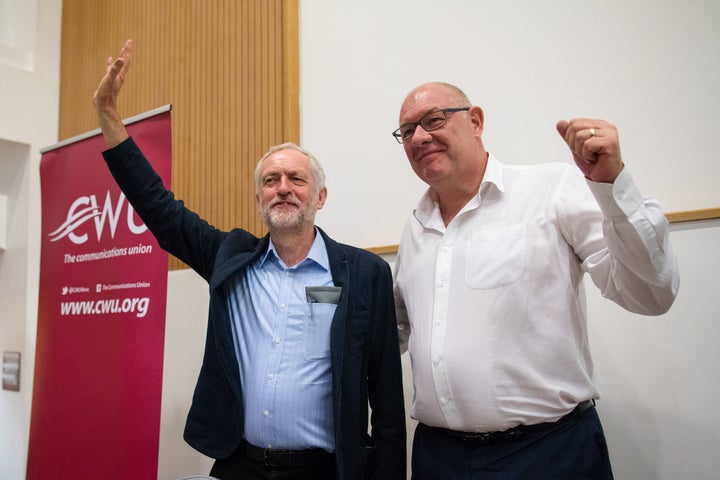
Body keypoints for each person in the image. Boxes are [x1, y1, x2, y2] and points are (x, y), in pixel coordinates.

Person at [92, 39, 406, 480]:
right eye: (270, 180)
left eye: (296, 178)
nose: (282, 187)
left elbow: (388, 401)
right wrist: (108, 115)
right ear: (258, 197)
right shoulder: (231, 258)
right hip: (241, 466)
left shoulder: (364, 274)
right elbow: (159, 209)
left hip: (325, 471)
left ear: (320, 196)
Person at [391, 82, 679, 479]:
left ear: (475, 121)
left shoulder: (551, 189)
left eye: (434, 120)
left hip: (547, 455)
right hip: (437, 458)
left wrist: (612, 187)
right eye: (407, 132)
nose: (420, 137)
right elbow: (397, 331)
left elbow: (650, 294)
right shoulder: (414, 228)